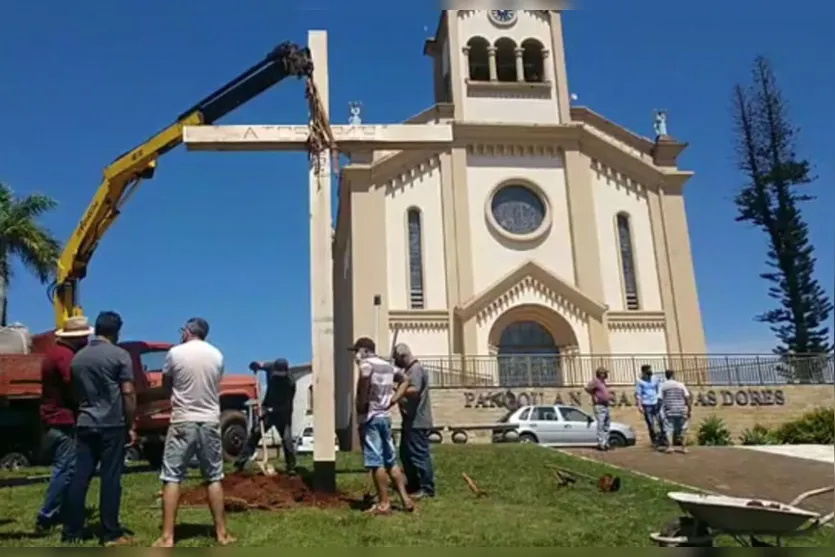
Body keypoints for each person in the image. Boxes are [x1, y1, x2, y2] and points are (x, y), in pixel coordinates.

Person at [154, 318, 234, 547]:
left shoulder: (175, 353)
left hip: (183, 420)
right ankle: (222, 534)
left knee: (172, 476)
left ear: (188, 331)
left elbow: (166, 383)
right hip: (209, 420)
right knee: (213, 476)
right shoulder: (217, 355)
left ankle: (168, 537)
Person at [62, 311, 135, 546]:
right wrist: (131, 422)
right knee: (110, 478)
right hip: (112, 423)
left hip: (85, 422)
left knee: (80, 477)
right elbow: (128, 392)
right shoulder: (120, 356)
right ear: (116, 332)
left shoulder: (78, 358)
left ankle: (71, 530)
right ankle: (111, 532)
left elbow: (74, 391)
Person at [35, 316, 92, 533]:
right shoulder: (66, 358)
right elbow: (73, 385)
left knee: (66, 466)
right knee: (66, 467)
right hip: (64, 417)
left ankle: (59, 509)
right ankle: (48, 514)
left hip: (54, 416)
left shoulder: (54, 354)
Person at [351, 337, 414, 514]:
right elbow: (405, 379)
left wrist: (362, 401)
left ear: (363, 350)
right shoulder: (387, 366)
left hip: (371, 417)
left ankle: (384, 503)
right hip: (385, 417)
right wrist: (394, 399)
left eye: (357, 351)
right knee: (390, 460)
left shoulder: (366, 364)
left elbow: (364, 375)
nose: (355, 355)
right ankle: (405, 499)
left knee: (375, 461)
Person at [234, 358, 297, 475]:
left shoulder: (290, 383)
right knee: (255, 434)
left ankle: (291, 468)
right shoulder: (270, 367)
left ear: (286, 372)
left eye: (280, 375)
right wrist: (255, 365)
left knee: (287, 439)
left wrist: (268, 410)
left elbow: (286, 405)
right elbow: (260, 365)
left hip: (283, 414)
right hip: (269, 408)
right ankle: (240, 463)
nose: (278, 377)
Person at [390, 343, 435, 499]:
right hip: (409, 421)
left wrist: (397, 390)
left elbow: (414, 390)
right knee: (406, 454)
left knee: (419, 455)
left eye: (397, 359)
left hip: (418, 421)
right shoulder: (408, 371)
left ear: (403, 356)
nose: (396, 362)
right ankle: (414, 484)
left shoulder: (416, 370)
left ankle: (427, 488)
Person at [659, 369, 692, 454]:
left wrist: (661, 411)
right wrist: (689, 409)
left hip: (669, 410)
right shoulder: (680, 385)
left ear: (666, 376)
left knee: (669, 429)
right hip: (681, 410)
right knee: (683, 429)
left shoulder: (663, 386)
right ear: (673, 375)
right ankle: (684, 448)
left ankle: (670, 447)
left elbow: (660, 399)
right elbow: (687, 397)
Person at [635, 364, 665, 448]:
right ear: (643, 372)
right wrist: (639, 405)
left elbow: (659, 389)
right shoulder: (639, 381)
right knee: (650, 424)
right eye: (648, 370)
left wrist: (659, 399)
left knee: (660, 421)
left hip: (656, 402)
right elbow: (638, 394)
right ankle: (654, 440)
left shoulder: (655, 378)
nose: (650, 372)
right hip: (646, 404)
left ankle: (663, 439)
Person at [585, 367, 614, 451]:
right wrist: (593, 395)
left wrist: (610, 398)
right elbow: (587, 387)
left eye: (605, 373)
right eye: (603, 373)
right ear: (599, 373)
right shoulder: (596, 381)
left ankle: (606, 442)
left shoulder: (603, 382)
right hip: (599, 406)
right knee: (601, 424)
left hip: (606, 405)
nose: (604, 374)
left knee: (607, 424)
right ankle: (601, 443)